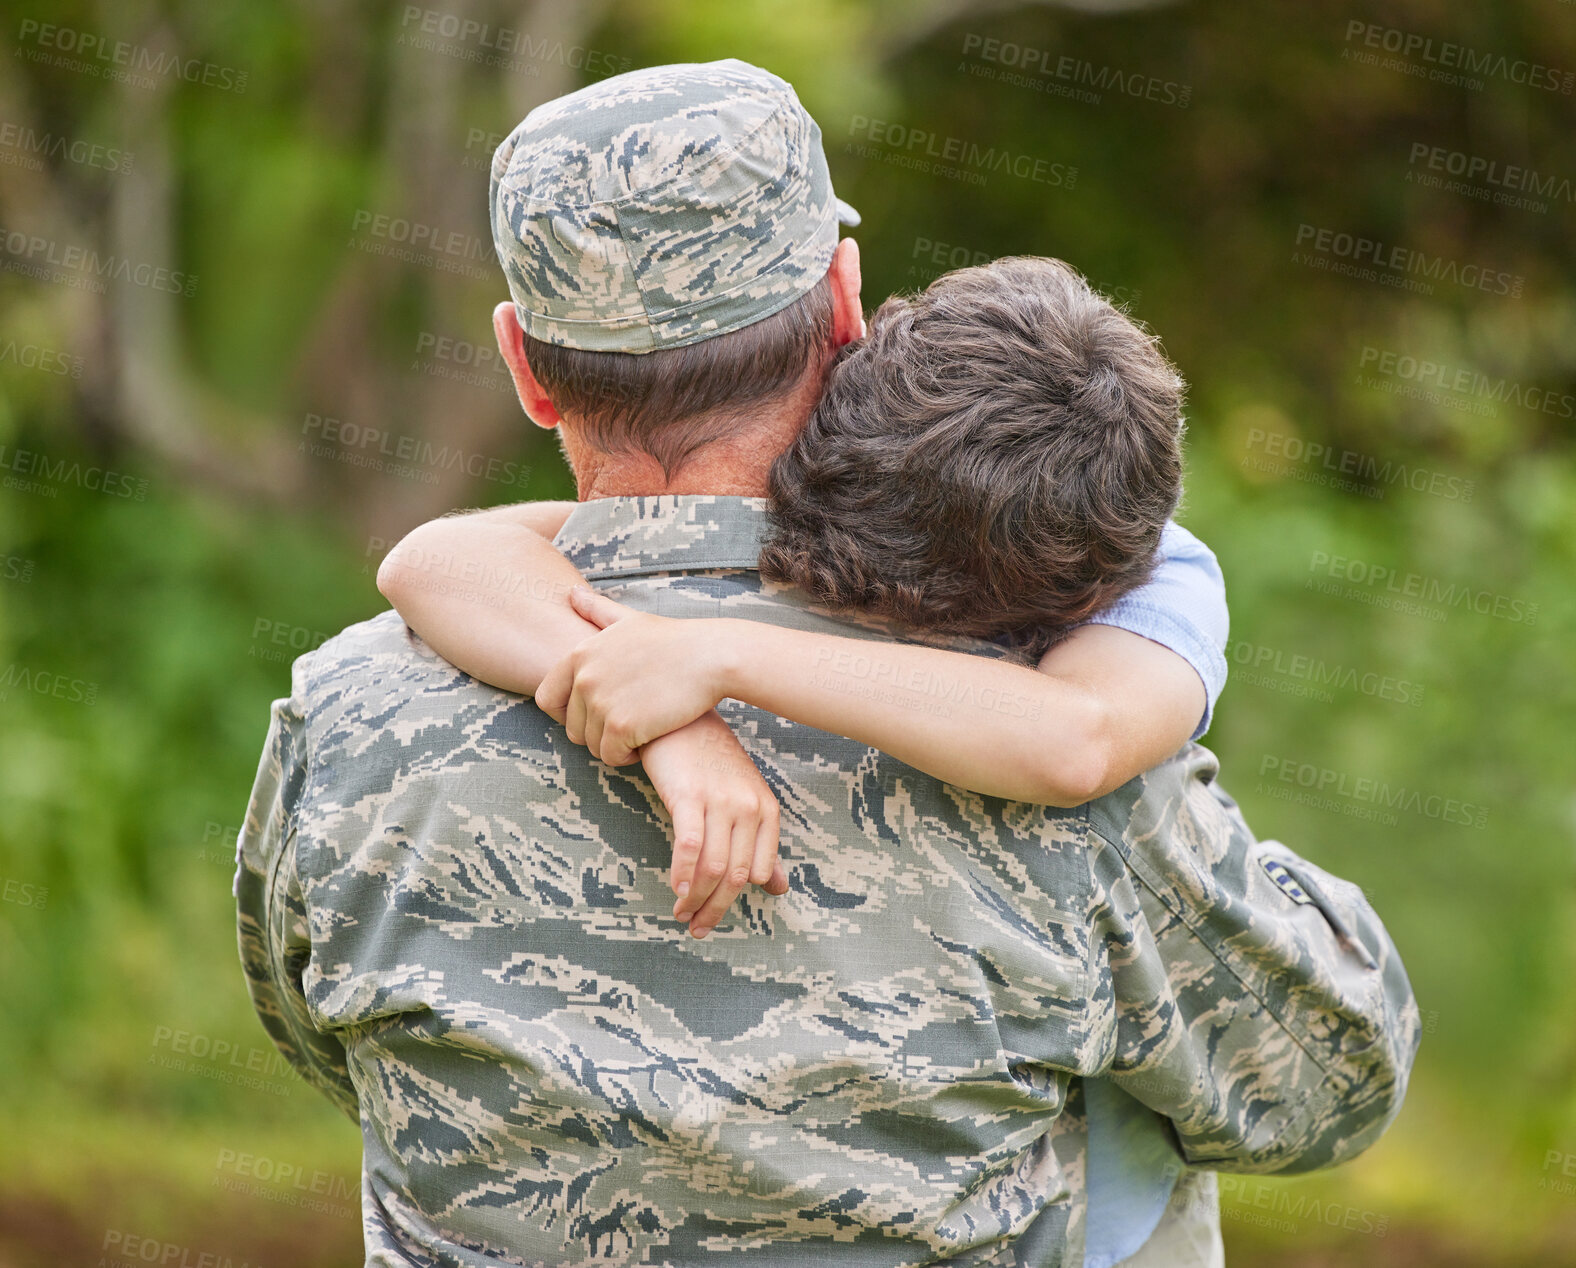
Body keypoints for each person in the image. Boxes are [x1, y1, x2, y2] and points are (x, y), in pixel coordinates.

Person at [236, 60, 1419, 1267]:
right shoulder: (1005, 712)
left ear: (526, 369)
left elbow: (325, 1044)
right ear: (845, 305)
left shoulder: (345, 719)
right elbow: (1323, 1081)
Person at [377, 255, 1225, 946]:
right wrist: (677, 727)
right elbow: (437, 559)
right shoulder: (866, 479)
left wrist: (721, 656)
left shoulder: (1160, 571)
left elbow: (1077, 743)